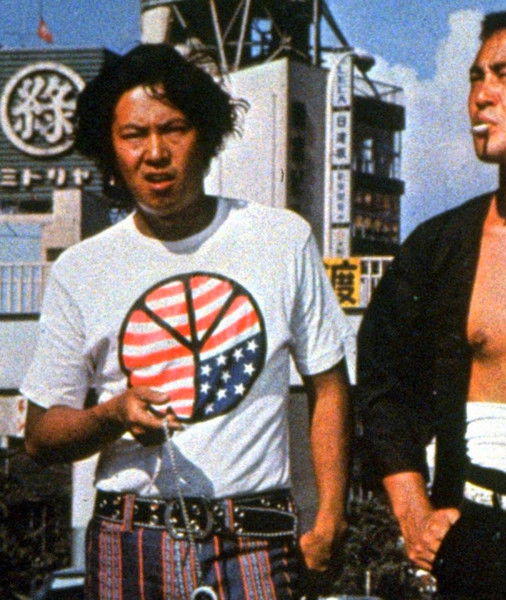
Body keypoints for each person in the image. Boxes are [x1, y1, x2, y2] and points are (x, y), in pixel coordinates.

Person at [22, 43, 352, 600]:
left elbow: (330, 384)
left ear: (208, 135)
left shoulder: (281, 238)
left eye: (173, 129)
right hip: (128, 540)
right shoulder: (81, 268)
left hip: (256, 537)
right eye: (133, 135)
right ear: (109, 149)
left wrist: (331, 518)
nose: (155, 153)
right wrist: (113, 414)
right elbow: (40, 435)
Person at [358, 9, 506, 600]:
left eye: (504, 75)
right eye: (475, 77)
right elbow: (383, 383)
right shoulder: (440, 248)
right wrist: (413, 512)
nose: (480, 96)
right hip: (482, 541)